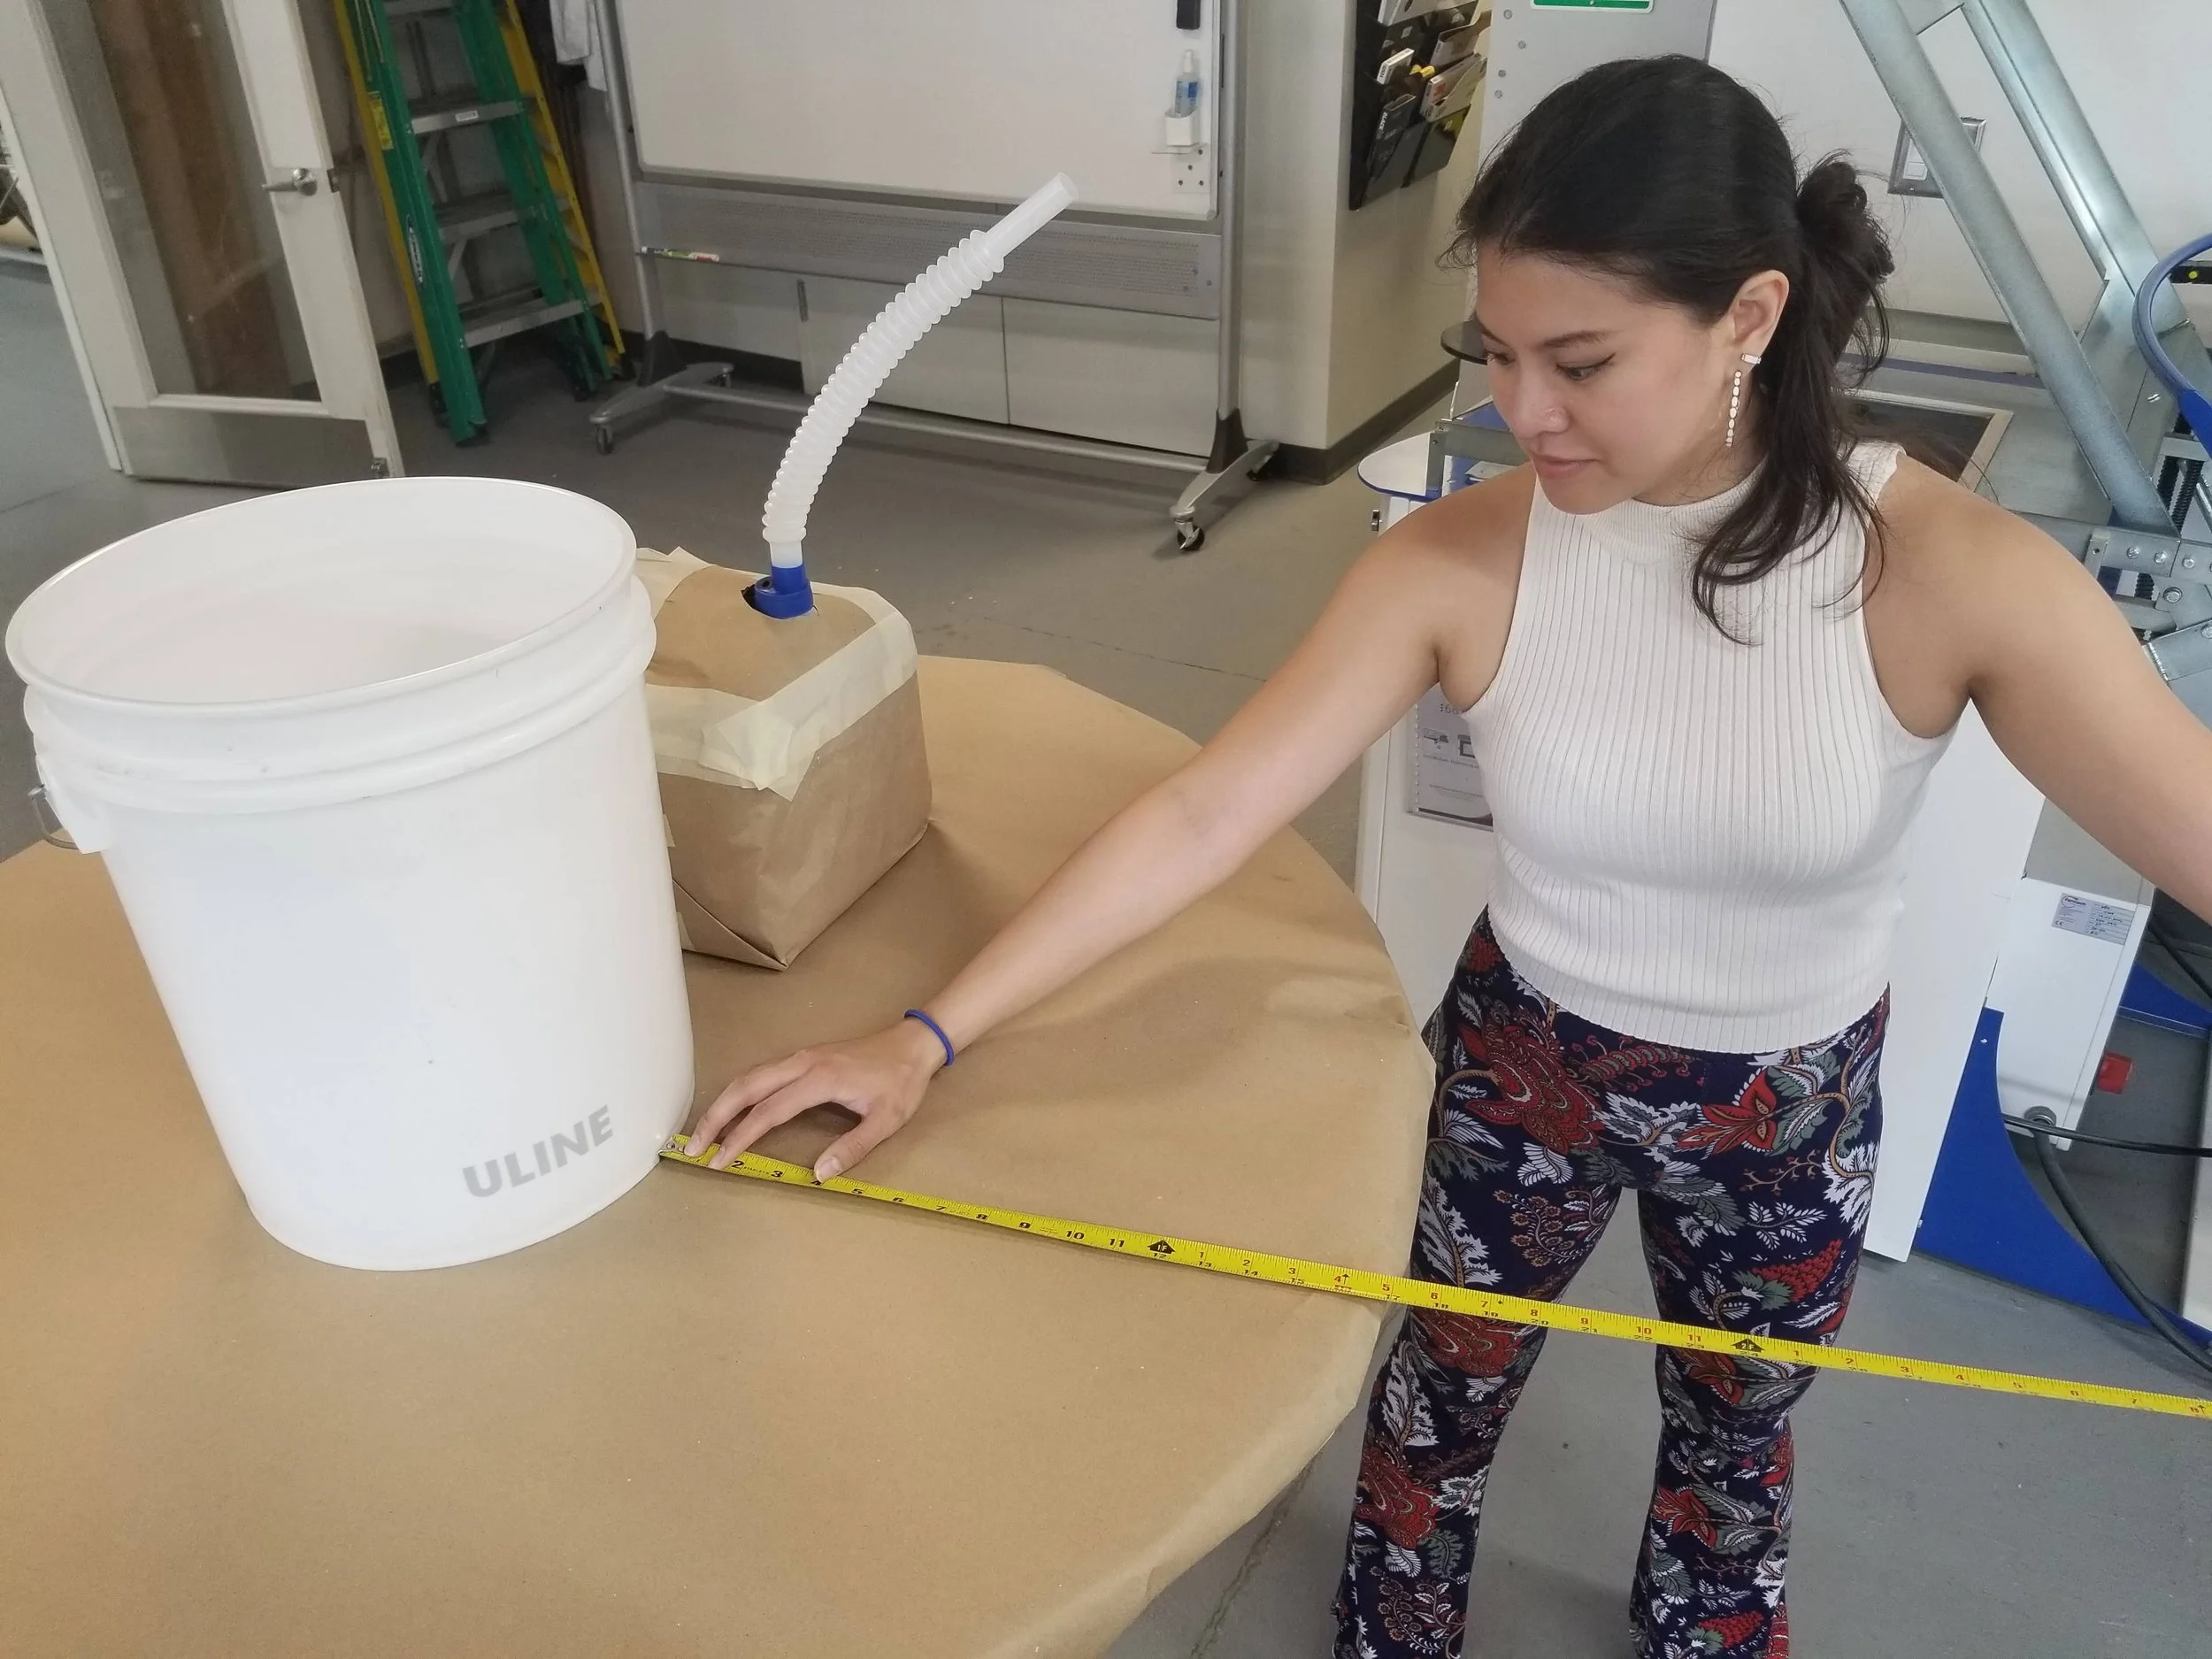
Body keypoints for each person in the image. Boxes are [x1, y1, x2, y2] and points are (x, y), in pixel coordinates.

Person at [685, 55, 2212, 1659]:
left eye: (1581, 362)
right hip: (1522, 1068)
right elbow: (1207, 813)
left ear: (1752, 317)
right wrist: (925, 1034)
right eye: (1495, 353)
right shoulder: (1460, 559)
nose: (1519, 413)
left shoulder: (1953, 576)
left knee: (1737, 1444)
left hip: (1792, 1104)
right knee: (1433, 1409)